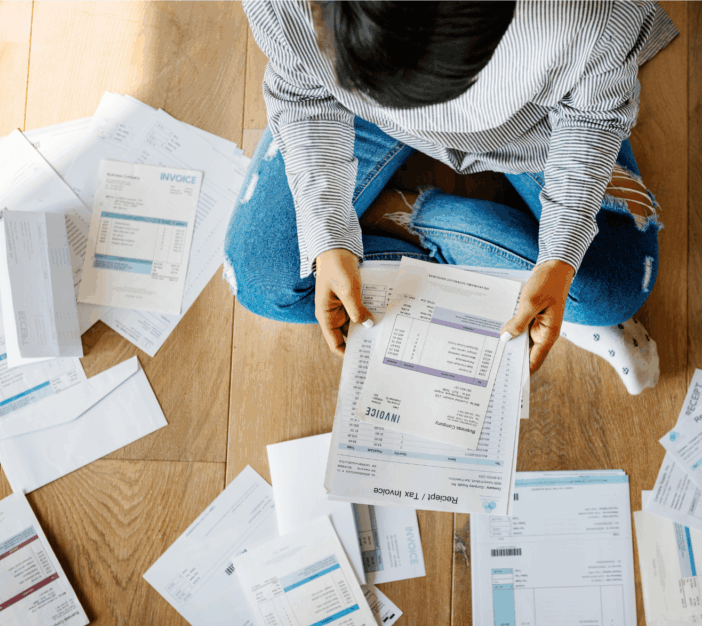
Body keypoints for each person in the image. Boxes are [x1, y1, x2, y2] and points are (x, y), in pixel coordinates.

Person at [225, 0, 662, 393]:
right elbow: (303, 94)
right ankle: (522, 291)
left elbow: (593, 117)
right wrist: (327, 234)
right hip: (358, 114)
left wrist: (560, 258)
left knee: (615, 289)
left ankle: (395, 214)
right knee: (261, 279)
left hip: (532, 128)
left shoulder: (593, 15)